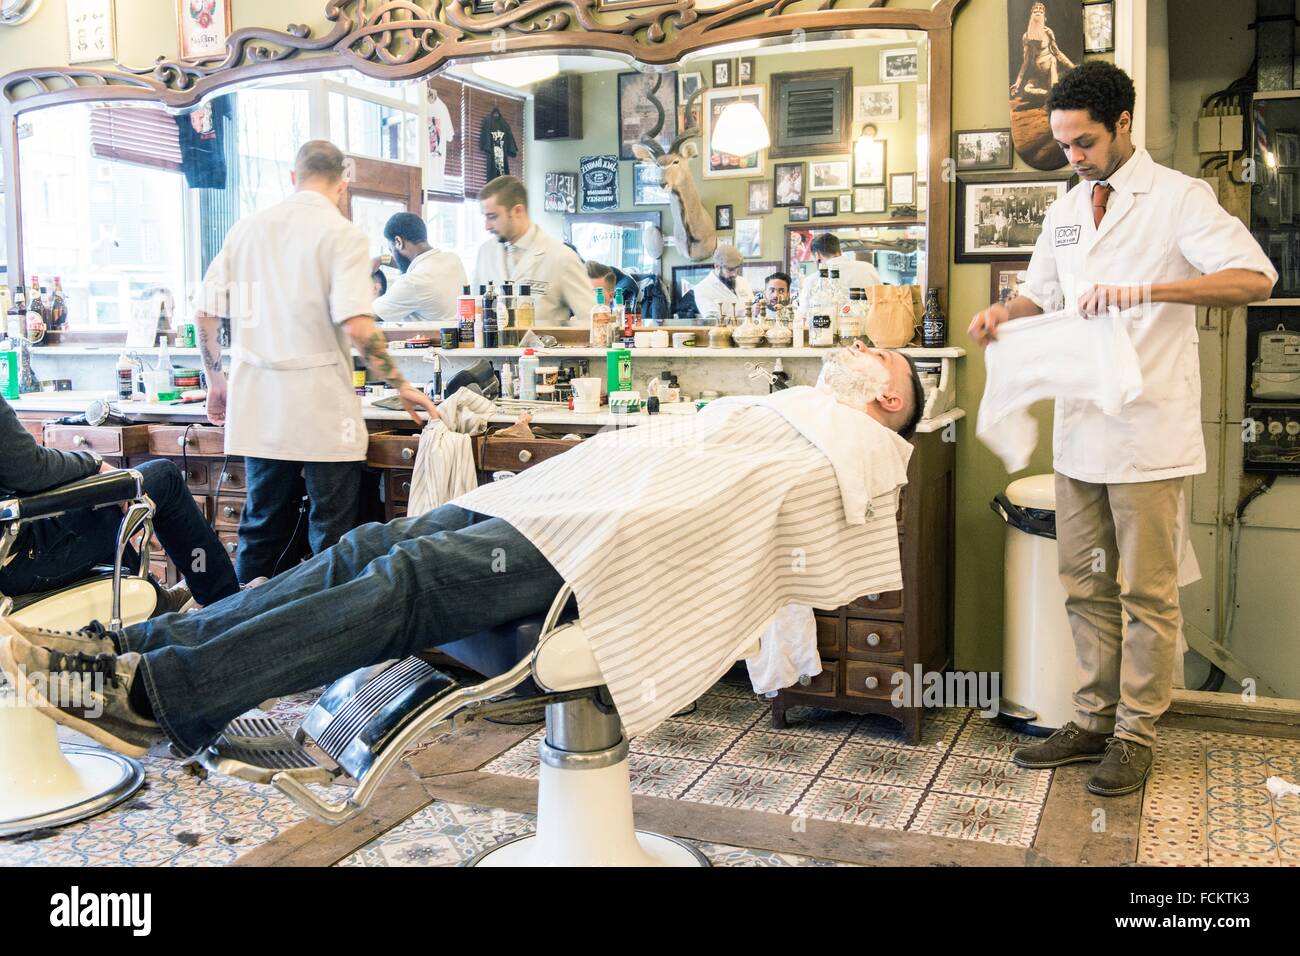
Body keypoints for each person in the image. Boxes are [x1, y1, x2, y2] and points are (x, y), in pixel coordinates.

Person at [0, 344, 926, 759]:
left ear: (891, 400)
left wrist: (607, 519)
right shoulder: (777, 412)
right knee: (371, 540)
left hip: (601, 558)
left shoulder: (845, 446)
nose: (857, 347)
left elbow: (724, 525)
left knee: (408, 577)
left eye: (881, 355)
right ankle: (136, 655)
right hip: (558, 514)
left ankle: (165, 699)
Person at [968, 62, 1277, 796]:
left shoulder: (1178, 199)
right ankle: (1092, 719)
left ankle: (1136, 733)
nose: (1074, 157)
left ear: (1124, 126)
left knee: (1147, 592)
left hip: (1149, 429)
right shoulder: (1067, 209)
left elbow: (1253, 279)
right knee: (1084, 584)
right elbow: (1040, 293)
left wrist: (1150, 289)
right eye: (1065, 145)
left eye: (1085, 143)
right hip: (1081, 430)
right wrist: (1001, 315)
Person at [195, 140, 439, 585]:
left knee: (261, 528)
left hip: (260, 404)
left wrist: (217, 382)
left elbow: (205, 312)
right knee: (331, 535)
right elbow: (357, 325)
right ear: (342, 185)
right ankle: (329, 642)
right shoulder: (342, 235)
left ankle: (243, 636)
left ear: (293, 177)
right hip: (320, 408)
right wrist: (402, 384)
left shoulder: (246, 229)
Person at [0, 397, 238, 612]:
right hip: (22, 560)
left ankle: (158, 601)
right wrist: (93, 465)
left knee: (110, 500)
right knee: (163, 478)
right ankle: (223, 602)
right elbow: (30, 469)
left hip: (16, 554)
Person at [473, 176, 594, 327]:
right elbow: (475, 313)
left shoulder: (562, 257)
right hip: (491, 349)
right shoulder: (485, 253)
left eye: (492, 217)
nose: (487, 226)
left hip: (543, 348)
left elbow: (592, 319)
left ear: (518, 210)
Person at [371, 212, 467, 325]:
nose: (392, 255)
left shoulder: (412, 282)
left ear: (398, 242)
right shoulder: (453, 259)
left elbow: (367, 315)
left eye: (391, 250)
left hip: (431, 340)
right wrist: (382, 259)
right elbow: (416, 265)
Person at [797, 234, 882, 322]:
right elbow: (881, 301)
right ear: (840, 251)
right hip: (870, 331)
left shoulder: (812, 280)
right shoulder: (867, 268)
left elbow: (803, 315)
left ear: (817, 255)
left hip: (829, 333)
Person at [1009, 1, 1075, 100]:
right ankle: (1050, 94)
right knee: (1027, 89)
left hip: (1050, 72)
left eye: (1041, 10)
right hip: (1038, 75)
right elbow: (1025, 62)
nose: (1038, 11)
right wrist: (1017, 83)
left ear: (1045, 18)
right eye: (1035, 10)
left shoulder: (1048, 33)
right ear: (1031, 16)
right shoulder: (1026, 37)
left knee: (1053, 59)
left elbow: (1057, 53)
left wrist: (1073, 68)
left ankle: (1054, 91)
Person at [691, 244, 753, 318]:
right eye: (730, 270)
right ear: (717, 266)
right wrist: (741, 313)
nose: (735, 274)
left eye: (737, 268)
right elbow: (712, 319)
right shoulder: (702, 288)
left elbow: (752, 305)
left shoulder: (743, 281)